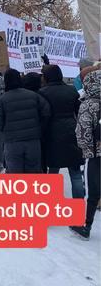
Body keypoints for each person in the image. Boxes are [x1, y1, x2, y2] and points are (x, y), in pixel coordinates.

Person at [0, 69, 50, 173]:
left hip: (12, 143)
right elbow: (46, 113)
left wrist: (5, 132)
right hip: (33, 141)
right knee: (34, 173)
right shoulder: (33, 96)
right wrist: (39, 128)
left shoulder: (1, 100)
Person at [39, 65, 85, 198]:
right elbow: (79, 112)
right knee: (75, 174)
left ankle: (51, 201)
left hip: (52, 134)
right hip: (72, 131)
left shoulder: (42, 93)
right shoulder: (71, 90)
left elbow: (43, 115)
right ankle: (78, 206)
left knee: (52, 171)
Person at [70, 69, 101, 239]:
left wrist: (85, 150)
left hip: (95, 155)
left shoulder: (88, 104)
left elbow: (82, 133)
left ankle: (85, 226)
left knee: (92, 191)